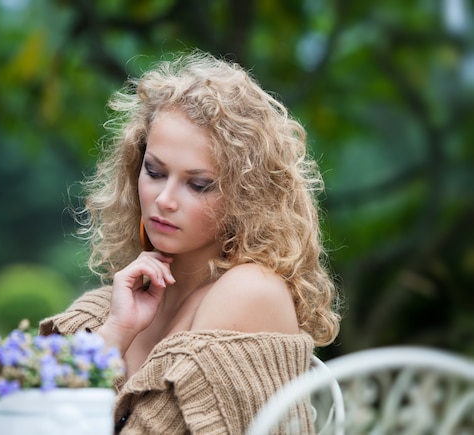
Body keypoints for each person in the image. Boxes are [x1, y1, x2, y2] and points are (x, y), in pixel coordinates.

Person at [39, 50, 340, 434]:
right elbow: (25, 416)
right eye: (154, 171)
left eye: (198, 185)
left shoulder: (250, 291)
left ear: (246, 197)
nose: (164, 199)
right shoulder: (113, 303)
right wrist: (116, 330)